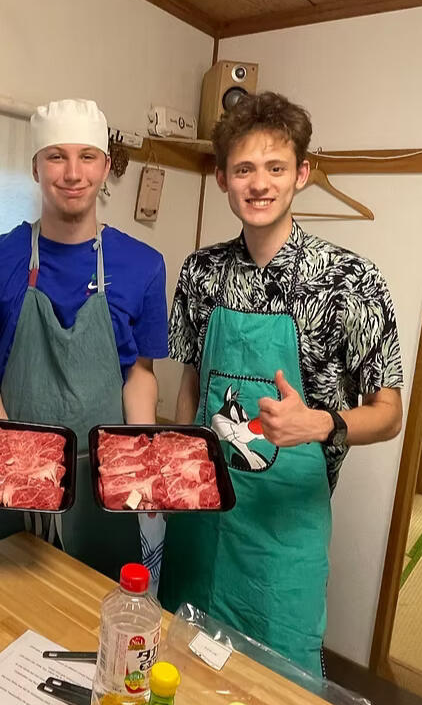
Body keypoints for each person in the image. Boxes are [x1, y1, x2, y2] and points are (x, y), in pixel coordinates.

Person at [160, 92, 404, 675]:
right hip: (202, 515)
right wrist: (174, 468)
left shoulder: (350, 281)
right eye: (244, 168)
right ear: (223, 178)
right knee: (180, 668)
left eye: (275, 167)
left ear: (302, 173)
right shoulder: (201, 271)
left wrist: (320, 423)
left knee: (277, 686)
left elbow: (390, 413)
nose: (260, 183)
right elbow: (192, 383)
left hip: (285, 532)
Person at [0, 99, 169, 581]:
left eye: (87, 157)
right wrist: (13, 450)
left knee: (100, 606)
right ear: (35, 167)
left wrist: (139, 458)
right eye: (56, 156)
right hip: (15, 480)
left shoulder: (144, 266)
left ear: (105, 167)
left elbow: (140, 374)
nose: (72, 173)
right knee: (8, 609)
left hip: (104, 486)